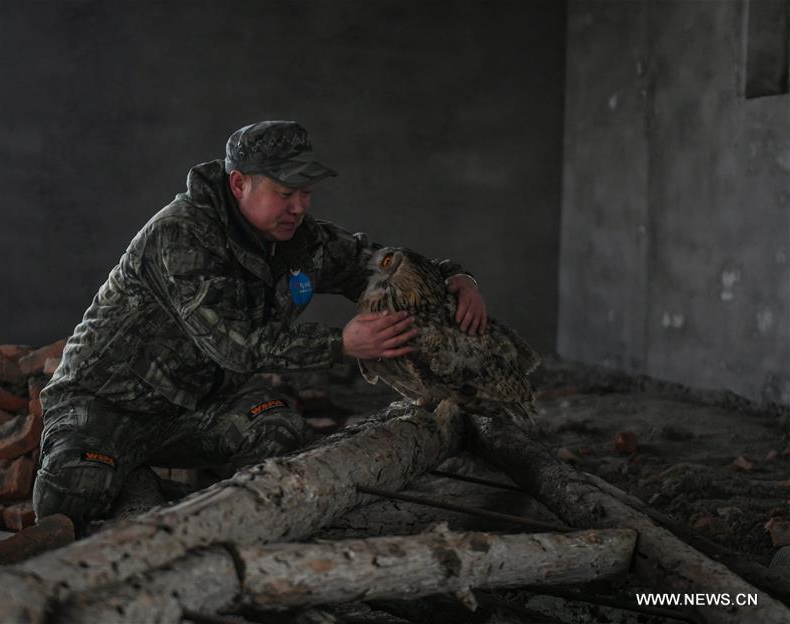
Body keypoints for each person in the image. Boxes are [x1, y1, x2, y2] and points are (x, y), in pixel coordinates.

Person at [33, 120, 488, 532]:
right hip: (108, 404)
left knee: (279, 432)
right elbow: (236, 347)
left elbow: (379, 262)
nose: (298, 207)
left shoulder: (299, 239)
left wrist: (453, 277)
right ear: (238, 183)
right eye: (285, 193)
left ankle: (227, 529)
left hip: (197, 409)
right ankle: (120, 469)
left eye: (306, 192)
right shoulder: (180, 235)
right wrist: (342, 343)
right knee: (71, 493)